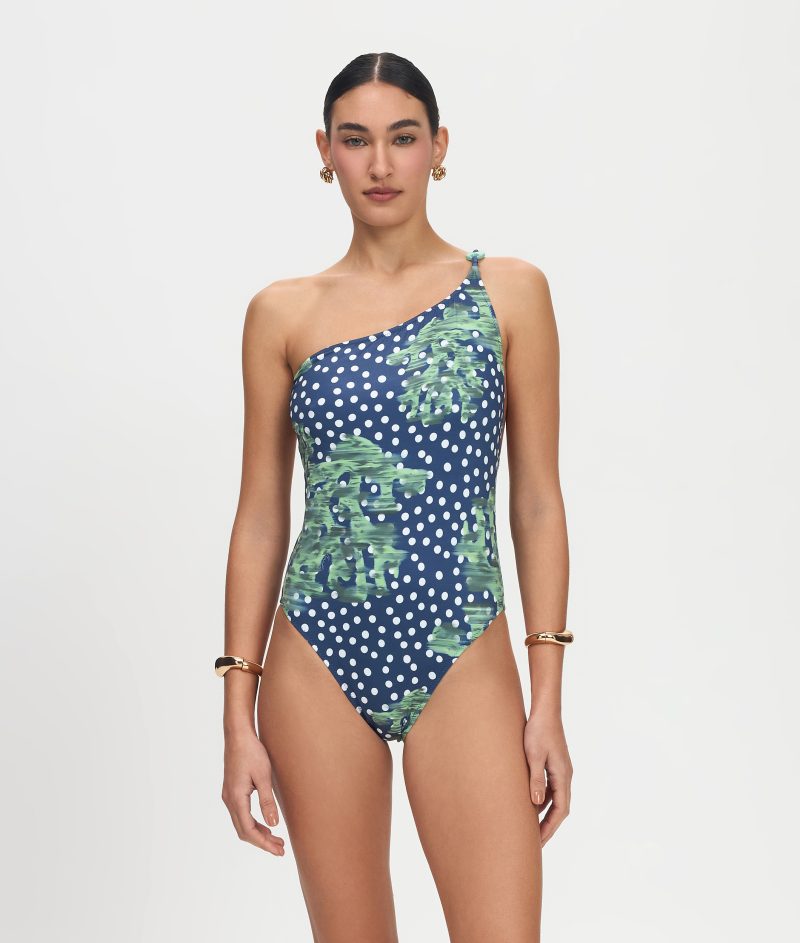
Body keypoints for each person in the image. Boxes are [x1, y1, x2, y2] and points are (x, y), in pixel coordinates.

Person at [216, 51, 574, 943]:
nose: (380, 164)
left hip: (462, 642)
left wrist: (548, 699)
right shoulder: (281, 313)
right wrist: (235, 716)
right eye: (356, 140)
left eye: (403, 138)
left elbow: (536, 500)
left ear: (439, 147)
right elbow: (260, 515)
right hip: (316, 653)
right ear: (325, 152)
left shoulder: (509, 293)